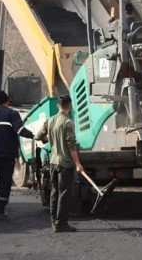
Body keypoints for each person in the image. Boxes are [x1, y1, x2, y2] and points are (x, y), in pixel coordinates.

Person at [0, 90, 35, 220]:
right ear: (7, 101)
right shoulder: (12, 114)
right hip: (7, 156)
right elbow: (20, 130)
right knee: (5, 182)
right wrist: (34, 136)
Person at [35, 94, 84, 233]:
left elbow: (38, 136)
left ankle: (53, 222)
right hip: (65, 164)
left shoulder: (50, 121)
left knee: (55, 192)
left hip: (53, 162)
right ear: (70, 106)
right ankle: (61, 223)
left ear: (58, 106)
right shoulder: (67, 123)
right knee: (64, 193)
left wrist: (48, 139)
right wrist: (78, 163)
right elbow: (71, 146)